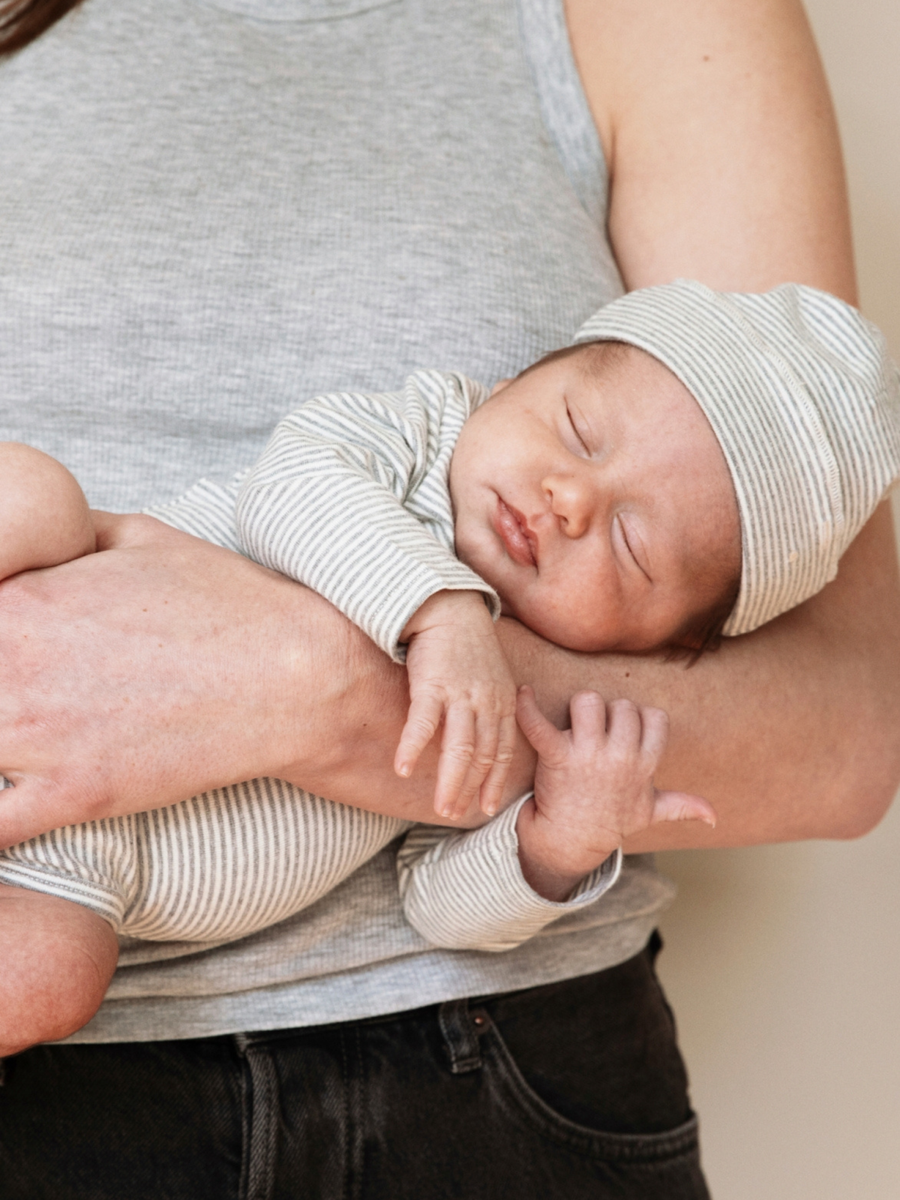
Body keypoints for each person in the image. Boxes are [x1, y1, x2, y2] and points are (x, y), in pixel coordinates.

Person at [1, 2, 898, 1198]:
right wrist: (435, 618)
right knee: (34, 497)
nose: (574, 501)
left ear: (667, 638)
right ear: (522, 377)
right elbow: (299, 476)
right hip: (49, 1099)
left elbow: (454, 900)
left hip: (445, 1049)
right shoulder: (419, 436)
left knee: (44, 972)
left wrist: (550, 843)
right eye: (577, 425)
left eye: (633, 546)